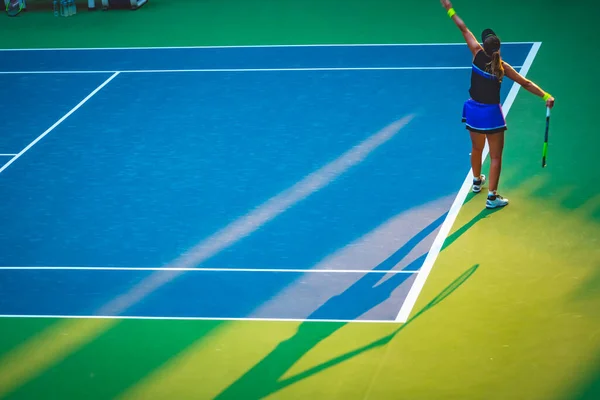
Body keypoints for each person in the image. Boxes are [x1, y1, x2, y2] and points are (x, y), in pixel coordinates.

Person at [440, 0, 555, 209]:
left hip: (474, 111)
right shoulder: (503, 67)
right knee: (495, 157)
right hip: (492, 115)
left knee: (476, 148)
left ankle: (476, 182)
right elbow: (526, 83)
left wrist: (449, 8)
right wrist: (545, 95)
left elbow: (462, 27)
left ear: (483, 45)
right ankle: (491, 197)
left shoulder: (476, 53)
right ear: (499, 48)